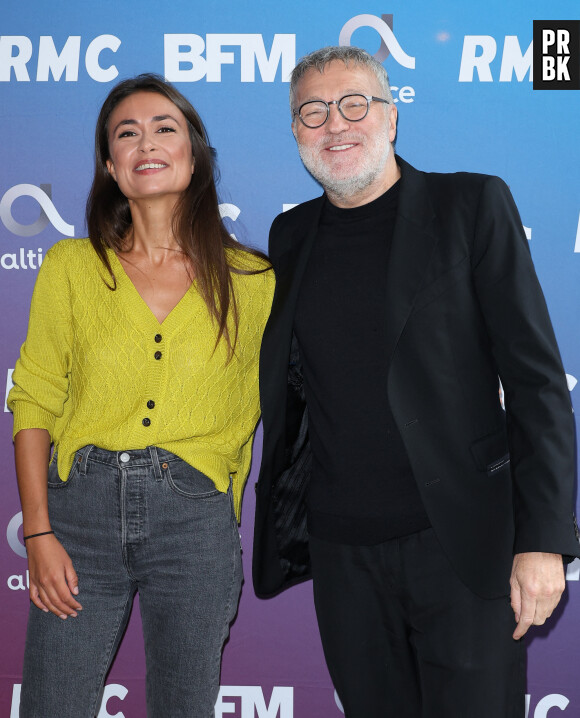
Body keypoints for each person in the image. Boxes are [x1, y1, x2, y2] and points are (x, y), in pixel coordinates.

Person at [252, 46, 580, 717]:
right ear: (295, 132)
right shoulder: (289, 235)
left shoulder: (470, 204)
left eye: (353, 104)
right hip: (342, 557)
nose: (334, 124)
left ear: (391, 117)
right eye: (312, 113)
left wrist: (544, 537)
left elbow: (537, 381)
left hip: (464, 546)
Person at [8, 73, 274, 718]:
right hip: (78, 521)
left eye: (165, 128)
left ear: (195, 153)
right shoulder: (72, 267)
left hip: (195, 524)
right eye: (127, 133)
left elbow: (262, 405)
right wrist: (38, 530)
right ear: (109, 164)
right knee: (52, 705)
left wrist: (221, 505)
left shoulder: (255, 280)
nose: (146, 143)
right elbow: (35, 398)